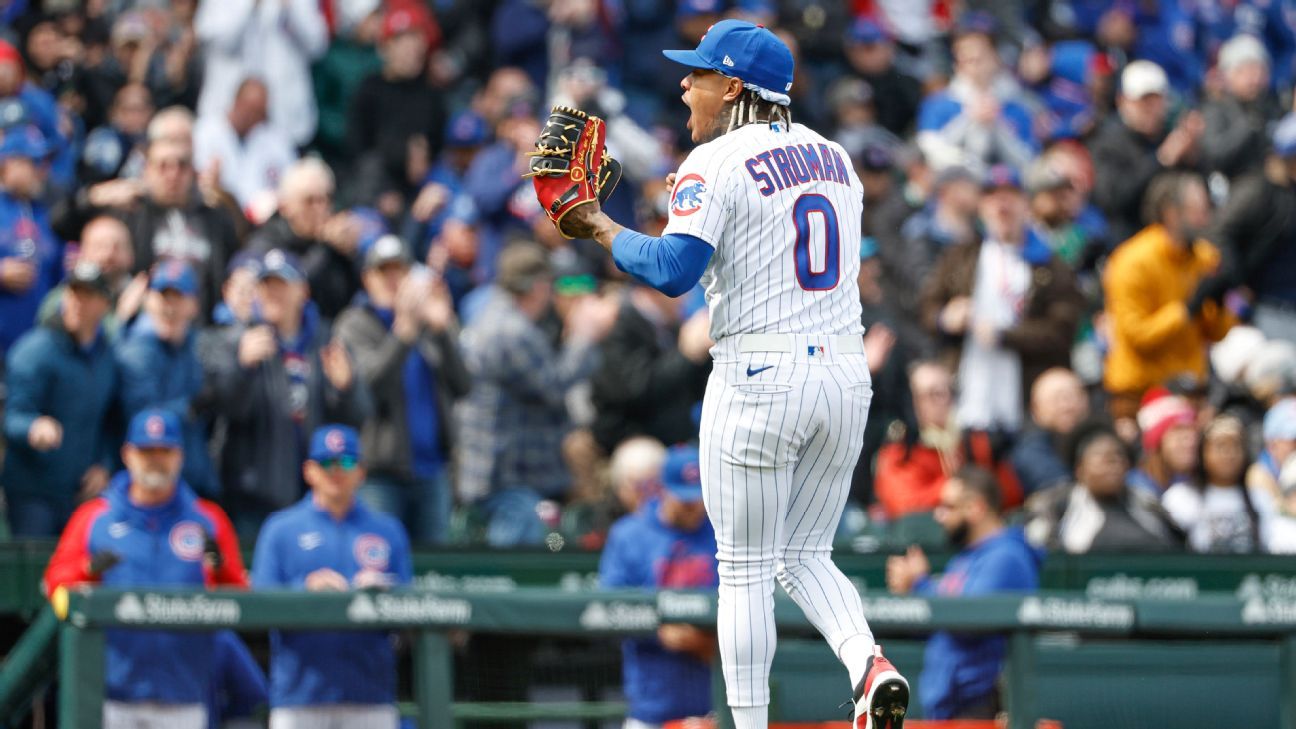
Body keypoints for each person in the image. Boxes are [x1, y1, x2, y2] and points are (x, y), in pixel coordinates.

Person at [547, 20, 910, 728]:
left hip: (759, 369)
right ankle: (868, 660)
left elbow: (673, 271)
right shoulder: (837, 156)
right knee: (805, 552)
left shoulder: (714, 160)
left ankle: (748, 723)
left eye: (699, 73)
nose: (685, 83)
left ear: (735, 86)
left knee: (743, 567)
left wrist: (596, 223)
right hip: (843, 370)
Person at [42, 408, 247, 729]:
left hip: (184, 691)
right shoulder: (96, 516)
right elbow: (56, 585)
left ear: (179, 455)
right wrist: (89, 570)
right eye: (146, 451)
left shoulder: (207, 519)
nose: (155, 459)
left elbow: (243, 604)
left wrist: (221, 572)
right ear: (127, 454)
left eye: (164, 451)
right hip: (111, 692)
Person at [456, 244, 618, 546]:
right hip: (503, 473)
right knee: (512, 568)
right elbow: (554, 387)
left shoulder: (494, 316)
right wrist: (585, 335)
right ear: (537, 286)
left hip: (502, 466)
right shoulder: (511, 331)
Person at [251, 424, 411, 729]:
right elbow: (260, 603)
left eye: (347, 463)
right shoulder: (281, 528)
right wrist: (305, 588)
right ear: (309, 471)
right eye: (326, 463)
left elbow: (409, 606)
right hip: (300, 695)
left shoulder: (387, 530)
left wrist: (383, 592)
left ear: (361, 471)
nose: (336, 471)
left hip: (369, 695)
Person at [204, 249, 370, 536]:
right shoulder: (235, 340)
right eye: (267, 286)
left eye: (282, 285)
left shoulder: (326, 342)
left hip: (315, 495)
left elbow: (359, 416)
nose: (273, 294)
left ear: (303, 291)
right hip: (252, 498)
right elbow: (222, 410)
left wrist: (347, 388)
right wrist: (242, 368)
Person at [919, 164, 1082, 433]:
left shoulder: (1051, 265)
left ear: (1026, 204)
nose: (1001, 205)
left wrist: (1003, 335)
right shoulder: (961, 256)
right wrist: (945, 318)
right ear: (982, 206)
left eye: (1011, 196)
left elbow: (1061, 331)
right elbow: (927, 307)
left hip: (1026, 403)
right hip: (968, 398)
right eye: (992, 196)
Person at [332, 235, 471, 545]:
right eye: (384, 272)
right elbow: (367, 389)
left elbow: (463, 385)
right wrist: (402, 334)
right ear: (368, 278)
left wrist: (443, 330)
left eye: (399, 271)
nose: (393, 280)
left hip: (433, 471)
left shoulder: (428, 322)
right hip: (380, 474)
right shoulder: (354, 323)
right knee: (380, 563)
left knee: (434, 575)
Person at [886, 466, 1041, 719]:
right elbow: (931, 626)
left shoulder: (1006, 556)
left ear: (976, 507)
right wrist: (912, 590)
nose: (938, 515)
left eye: (948, 506)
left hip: (981, 705)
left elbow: (968, 620)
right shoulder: (964, 559)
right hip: (950, 705)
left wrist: (918, 585)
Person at [600, 444, 719, 729]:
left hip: (717, 703)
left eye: (698, 498)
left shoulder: (723, 533)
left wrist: (711, 641)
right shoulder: (629, 534)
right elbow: (608, 608)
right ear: (662, 489)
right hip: (652, 705)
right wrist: (661, 631)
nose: (693, 507)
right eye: (683, 498)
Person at [1102, 172, 1235, 422]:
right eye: (1198, 211)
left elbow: (1217, 334)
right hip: (1140, 394)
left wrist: (1219, 305)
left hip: (1191, 391)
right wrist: (1186, 309)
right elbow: (1137, 336)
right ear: (1171, 213)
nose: (1206, 219)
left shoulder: (1205, 256)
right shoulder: (1132, 260)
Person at [3, 262, 118, 537]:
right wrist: (33, 426)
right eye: (74, 293)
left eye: (88, 296)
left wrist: (105, 465)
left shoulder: (107, 357)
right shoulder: (35, 351)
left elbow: (111, 422)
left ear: (104, 305)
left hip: (80, 491)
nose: (78, 303)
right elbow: (12, 416)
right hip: (34, 490)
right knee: (35, 571)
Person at [115, 260, 219, 497]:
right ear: (149, 300)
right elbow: (143, 417)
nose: (169, 307)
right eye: (163, 297)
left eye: (178, 298)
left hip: (194, 477)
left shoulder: (200, 346)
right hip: (146, 479)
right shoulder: (136, 351)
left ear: (193, 305)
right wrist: (191, 407)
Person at [1024, 420, 1185, 553]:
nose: (1113, 463)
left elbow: (1179, 547)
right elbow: (1039, 553)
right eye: (1102, 457)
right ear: (1080, 469)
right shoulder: (1056, 505)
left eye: (1118, 456)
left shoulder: (1146, 502)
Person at [1090, 61, 1203, 244]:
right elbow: (1112, 199)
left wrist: (1192, 157)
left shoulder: (1171, 137)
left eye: (1156, 101)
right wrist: (1161, 160)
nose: (1150, 109)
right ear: (1122, 101)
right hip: (1129, 241)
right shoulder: (1106, 142)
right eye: (1143, 102)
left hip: (1176, 241)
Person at [0, 125, 62, 363]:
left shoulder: (46, 213)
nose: (43, 171)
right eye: (34, 162)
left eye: (45, 162)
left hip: (38, 350)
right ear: (7, 164)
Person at [1162, 414, 1264, 553]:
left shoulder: (1260, 498)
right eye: (1220, 446)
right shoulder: (1180, 497)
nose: (1229, 454)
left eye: (1236, 446)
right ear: (1202, 453)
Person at [194, 77, 299, 209]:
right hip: (218, 212)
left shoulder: (277, 140)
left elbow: (292, 183)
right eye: (250, 109)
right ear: (236, 102)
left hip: (263, 219)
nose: (253, 117)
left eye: (259, 112)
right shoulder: (205, 131)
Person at [1011, 368, 1091, 495]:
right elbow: (1060, 491)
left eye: (1073, 396)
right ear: (1036, 407)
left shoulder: (1097, 436)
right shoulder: (1031, 449)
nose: (1067, 406)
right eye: (1057, 399)